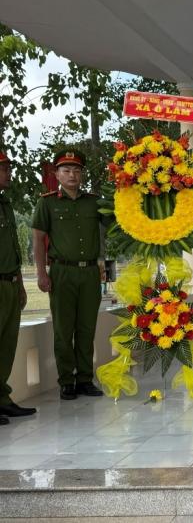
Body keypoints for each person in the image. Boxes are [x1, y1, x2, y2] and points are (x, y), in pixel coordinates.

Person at [32, 149, 108, 400]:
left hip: (90, 273)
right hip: (62, 272)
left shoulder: (94, 202)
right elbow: (38, 239)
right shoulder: (47, 202)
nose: (72, 175)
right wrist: (41, 274)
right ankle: (66, 380)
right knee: (64, 330)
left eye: (76, 170)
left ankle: (85, 379)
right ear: (57, 174)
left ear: (82, 174)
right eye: (66, 170)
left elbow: (116, 225)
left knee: (87, 328)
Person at [0, 151, 37, 423]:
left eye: (8, 168)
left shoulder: (5, 204)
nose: (8, 173)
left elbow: (13, 250)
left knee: (6, 346)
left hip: (10, 284)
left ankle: (2, 399)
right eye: (4, 169)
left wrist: (21, 285)